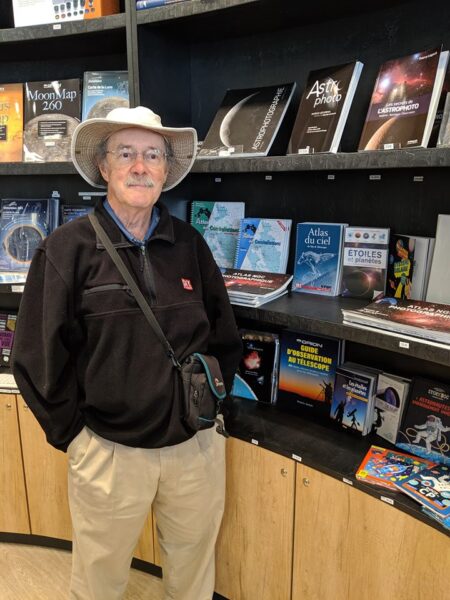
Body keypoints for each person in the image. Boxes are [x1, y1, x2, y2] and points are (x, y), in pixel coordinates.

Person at [12, 106, 242, 600]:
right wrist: (76, 437)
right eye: (127, 153)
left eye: (153, 155)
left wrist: (211, 411)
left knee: (193, 579)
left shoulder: (190, 245)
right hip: (108, 454)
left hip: (194, 450)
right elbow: (34, 356)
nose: (140, 166)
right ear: (104, 166)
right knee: (99, 584)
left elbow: (224, 337)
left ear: (165, 169)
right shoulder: (64, 249)